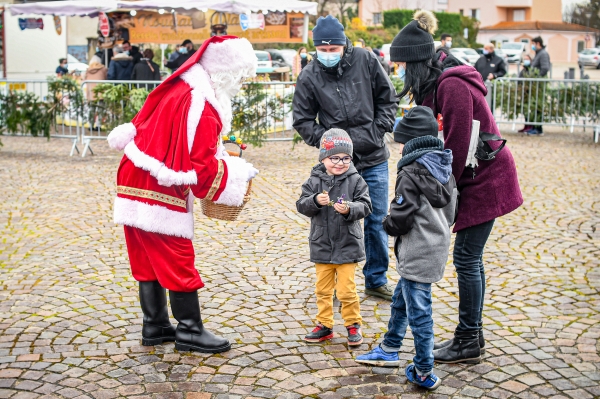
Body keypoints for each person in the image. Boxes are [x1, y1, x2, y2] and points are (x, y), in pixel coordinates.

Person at [106, 36, 259, 353]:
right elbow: (203, 173)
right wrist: (237, 176)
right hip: (157, 187)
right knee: (177, 257)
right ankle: (189, 330)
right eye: (242, 75)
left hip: (133, 174)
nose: (243, 83)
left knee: (147, 258)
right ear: (226, 72)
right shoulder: (202, 105)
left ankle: (156, 325)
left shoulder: (184, 87)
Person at [389, 10, 523, 363]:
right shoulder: (438, 82)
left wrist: (441, 195)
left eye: (401, 65)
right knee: (470, 258)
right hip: (474, 177)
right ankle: (473, 338)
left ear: (417, 62)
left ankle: (467, 339)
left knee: (466, 257)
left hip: (485, 179)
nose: (400, 72)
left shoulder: (451, 85)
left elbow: (457, 147)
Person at [293, 15, 399, 301]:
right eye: (323, 50)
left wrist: (377, 131)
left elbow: (388, 99)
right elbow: (302, 120)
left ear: (344, 45)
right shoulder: (310, 74)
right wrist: (329, 144)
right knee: (336, 218)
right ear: (316, 49)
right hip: (338, 164)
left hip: (373, 155)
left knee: (375, 217)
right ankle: (342, 280)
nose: (328, 55)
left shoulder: (365, 60)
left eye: (334, 49)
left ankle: (376, 278)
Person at [356, 106, 457, 391]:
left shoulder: (410, 172)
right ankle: (389, 346)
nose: (398, 147)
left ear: (411, 142)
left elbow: (402, 216)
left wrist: (386, 224)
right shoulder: (444, 167)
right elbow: (453, 212)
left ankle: (424, 369)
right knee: (401, 299)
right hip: (435, 248)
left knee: (420, 311)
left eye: (401, 141)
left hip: (416, 251)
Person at [296, 129, 372, 346]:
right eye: (335, 158)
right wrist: (314, 201)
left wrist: (350, 209)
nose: (340, 163)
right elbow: (301, 204)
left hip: (348, 243)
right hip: (322, 243)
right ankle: (325, 324)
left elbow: (366, 206)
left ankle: (352, 324)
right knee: (322, 289)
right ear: (323, 158)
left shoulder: (356, 180)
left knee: (347, 290)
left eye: (346, 158)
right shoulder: (314, 180)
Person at [527, 36, 551, 136]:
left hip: (539, 85)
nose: (532, 46)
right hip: (535, 85)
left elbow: (545, 68)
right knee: (534, 106)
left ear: (538, 44)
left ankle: (538, 128)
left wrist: (536, 78)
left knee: (538, 106)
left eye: (533, 44)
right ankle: (534, 127)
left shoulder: (543, 54)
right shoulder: (538, 54)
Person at [517, 55, 534, 133]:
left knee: (531, 109)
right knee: (524, 109)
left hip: (531, 92)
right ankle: (526, 125)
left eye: (527, 59)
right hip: (523, 92)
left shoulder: (532, 70)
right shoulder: (523, 70)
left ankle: (530, 125)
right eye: (525, 59)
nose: (526, 60)